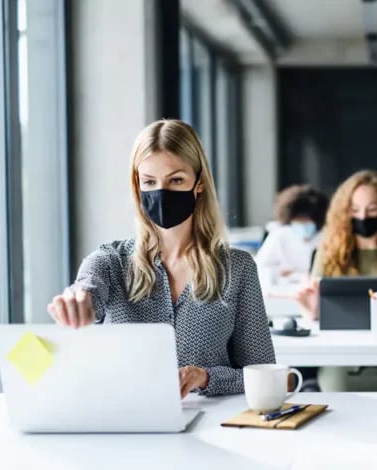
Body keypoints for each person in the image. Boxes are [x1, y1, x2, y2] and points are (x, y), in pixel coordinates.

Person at [47, 119, 275, 398]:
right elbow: (87, 290)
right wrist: (76, 300)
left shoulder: (237, 268)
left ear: (199, 183)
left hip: (211, 425)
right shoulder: (109, 261)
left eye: (176, 179)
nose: (162, 192)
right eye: (149, 182)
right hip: (124, 419)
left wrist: (205, 378)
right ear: (137, 185)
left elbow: (263, 373)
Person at [294, 170, 377, 391]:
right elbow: (316, 306)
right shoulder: (329, 249)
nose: (363, 217)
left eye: (371, 209)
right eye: (355, 210)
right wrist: (309, 310)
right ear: (345, 212)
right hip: (340, 357)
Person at [255, 184, 329, 279]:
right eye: (298, 221)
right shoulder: (280, 235)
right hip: (284, 289)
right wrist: (279, 272)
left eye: (307, 221)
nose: (303, 225)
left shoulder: (328, 236)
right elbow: (260, 267)